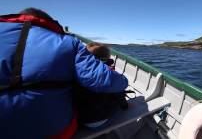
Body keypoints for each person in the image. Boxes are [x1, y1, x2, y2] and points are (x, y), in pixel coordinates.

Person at [0, 8, 128, 139]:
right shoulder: (68, 42)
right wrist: (124, 81)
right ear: (46, 22)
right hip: (54, 131)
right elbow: (102, 80)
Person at [75, 42, 125, 128]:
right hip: (99, 120)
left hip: (79, 118)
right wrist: (125, 105)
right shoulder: (108, 75)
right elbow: (119, 93)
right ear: (106, 58)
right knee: (119, 106)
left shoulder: (77, 70)